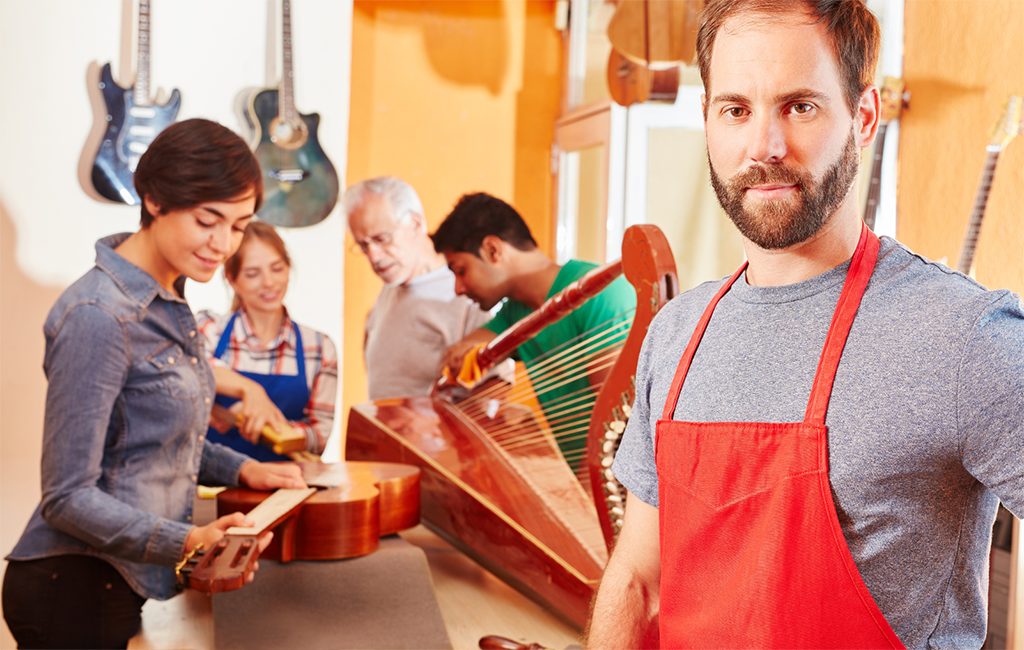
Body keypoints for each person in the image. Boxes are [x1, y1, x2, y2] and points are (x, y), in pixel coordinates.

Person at [586, 1, 1024, 649]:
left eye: (800, 106)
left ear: (864, 116)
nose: (764, 147)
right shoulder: (678, 335)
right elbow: (638, 581)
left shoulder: (964, 337)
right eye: (736, 109)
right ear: (707, 119)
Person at [3, 119, 307, 650]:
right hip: (70, 587)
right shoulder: (100, 315)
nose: (223, 244)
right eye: (208, 220)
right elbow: (67, 496)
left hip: (114, 581)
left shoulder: (168, 300)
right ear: (154, 199)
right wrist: (188, 540)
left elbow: (157, 436)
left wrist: (247, 468)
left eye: (238, 225)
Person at [433, 192, 636, 468]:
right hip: (583, 484)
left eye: (460, 270)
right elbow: (468, 349)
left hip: (620, 488)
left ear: (493, 250)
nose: (458, 288)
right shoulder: (517, 312)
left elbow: (622, 428)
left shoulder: (600, 293)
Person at [197, 221, 338, 460]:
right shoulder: (209, 328)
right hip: (212, 488)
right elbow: (195, 368)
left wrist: (263, 425)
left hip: (285, 487)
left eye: (277, 268)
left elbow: (319, 436)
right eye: (253, 274)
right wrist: (251, 393)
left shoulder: (319, 347)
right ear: (232, 279)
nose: (269, 282)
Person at [343, 176, 492, 399]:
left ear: (415, 223)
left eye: (382, 239)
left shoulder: (468, 294)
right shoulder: (393, 282)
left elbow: (494, 396)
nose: (373, 256)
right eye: (363, 245)